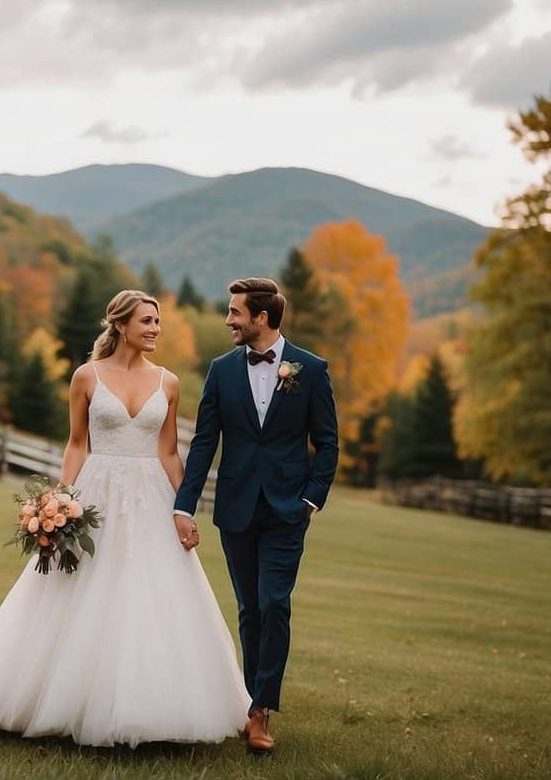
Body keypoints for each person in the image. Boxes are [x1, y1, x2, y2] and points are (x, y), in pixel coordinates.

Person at [0, 289, 250, 747]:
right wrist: (63, 500)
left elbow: (167, 451)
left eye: (157, 321)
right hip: (97, 493)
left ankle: (153, 708)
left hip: (151, 500)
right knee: (78, 592)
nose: (155, 329)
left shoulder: (169, 382)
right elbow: (76, 443)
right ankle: (63, 700)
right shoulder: (86, 376)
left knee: (153, 595)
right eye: (146, 321)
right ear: (120, 325)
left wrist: (183, 508)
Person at [173, 277, 339, 754]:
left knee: (274, 604)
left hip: (288, 509)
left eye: (234, 312)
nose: (228, 320)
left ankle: (261, 710)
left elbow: (327, 442)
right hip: (237, 506)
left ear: (260, 318)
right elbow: (205, 441)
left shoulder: (309, 369)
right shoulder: (221, 370)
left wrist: (311, 499)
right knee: (249, 609)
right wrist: (184, 504)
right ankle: (250, 700)